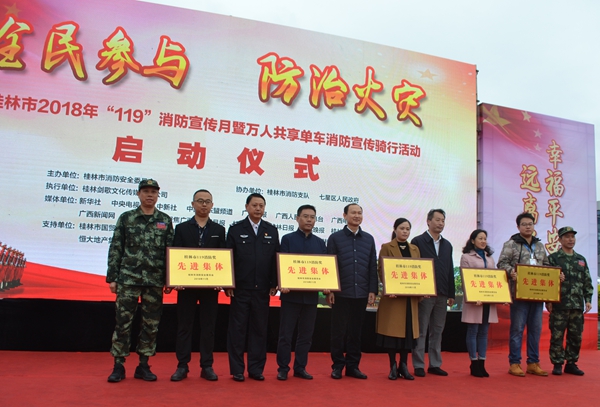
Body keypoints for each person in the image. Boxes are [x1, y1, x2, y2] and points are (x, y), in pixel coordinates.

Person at [106, 179, 174, 383]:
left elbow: (170, 252)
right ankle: (118, 366)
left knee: (150, 325)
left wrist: (169, 279)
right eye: (145, 191)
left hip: (154, 281)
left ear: (158, 195)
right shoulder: (127, 218)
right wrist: (112, 278)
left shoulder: (165, 220)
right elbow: (116, 247)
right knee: (123, 323)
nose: (149, 195)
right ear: (139, 194)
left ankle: (143, 365)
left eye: (153, 192)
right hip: (128, 279)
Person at [168, 189, 226, 382]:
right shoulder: (182, 228)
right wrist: (175, 279)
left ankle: (206, 366)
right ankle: (182, 366)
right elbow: (176, 254)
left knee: (208, 328)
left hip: (210, 288)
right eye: (200, 201)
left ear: (212, 205)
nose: (204, 204)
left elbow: (222, 258)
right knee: (185, 326)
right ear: (193, 204)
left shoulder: (219, 230)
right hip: (186, 287)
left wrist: (222, 280)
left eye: (207, 201)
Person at [226, 193, 280, 381]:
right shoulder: (235, 229)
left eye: (261, 205)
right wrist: (229, 283)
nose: (258, 208)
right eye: (254, 205)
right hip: (240, 289)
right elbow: (228, 258)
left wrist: (274, 282)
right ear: (247, 207)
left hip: (262, 290)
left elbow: (275, 258)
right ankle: (237, 369)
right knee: (237, 330)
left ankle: (256, 369)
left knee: (259, 330)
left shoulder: (271, 230)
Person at [497, 212, 556, 377]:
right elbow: (502, 263)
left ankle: (533, 363)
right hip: (519, 294)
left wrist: (555, 276)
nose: (528, 227)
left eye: (530, 224)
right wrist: (511, 272)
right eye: (524, 224)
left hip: (537, 295)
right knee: (517, 329)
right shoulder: (511, 244)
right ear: (518, 227)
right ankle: (514, 363)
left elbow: (546, 266)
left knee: (535, 330)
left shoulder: (539, 246)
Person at [276, 204, 327, 381]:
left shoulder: (320, 243)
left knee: (306, 336)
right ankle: (283, 368)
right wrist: (282, 283)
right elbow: (282, 264)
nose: (309, 220)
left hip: (311, 298)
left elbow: (324, 269)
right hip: (291, 295)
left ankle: (300, 368)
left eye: (312, 217)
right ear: (297, 218)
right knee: (285, 335)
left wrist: (326, 284)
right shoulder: (288, 239)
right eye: (305, 216)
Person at [326, 203, 377, 380]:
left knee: (356, 333)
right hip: (340, 293)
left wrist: (372, 289)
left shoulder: (369, 239)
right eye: (353, 213)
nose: (357, 216)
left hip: (361, 293)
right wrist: (330, 290)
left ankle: (353, 366)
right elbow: (330, 265)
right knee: (338, 332)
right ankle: (337, 366)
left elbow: (372, 266)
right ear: (344, 216)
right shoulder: (335, 238)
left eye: (359, 213)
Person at [410, 209, 454, 377]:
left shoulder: (447, 245)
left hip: (442, 293)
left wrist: (451, 293)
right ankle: (418, 364)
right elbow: (414, 268)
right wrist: (419, 291)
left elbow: (449, 269)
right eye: (437, 220)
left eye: (443, 220)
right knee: (421, 330)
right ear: (428, 221)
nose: (441, 223)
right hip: (425, 294)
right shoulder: (418, 241)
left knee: (437, 330)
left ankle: (435, 364)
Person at [376, 218, 420, 381]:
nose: (405, 231)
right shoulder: (387, 247)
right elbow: (381, 270)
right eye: (402, 228)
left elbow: (420, 271)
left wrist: (423, 290)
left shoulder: (415, 249)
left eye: (408, 229)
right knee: (393, 335)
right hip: (393, 299)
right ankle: (393, 366)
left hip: (409, 299)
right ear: (395, 230)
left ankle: (404, 365)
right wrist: (389, 288)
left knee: (408, 334)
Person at [546, 226, 593, 376]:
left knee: (575, 336)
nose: (570, 239)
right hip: (559, 304)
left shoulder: (581, 260)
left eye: (572, 236)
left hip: (577, 305)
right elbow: (547, 282)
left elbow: (587, 281)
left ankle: (571, 363)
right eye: (567, 237)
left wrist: (588, 299)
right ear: (560, 240)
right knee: (557, 335)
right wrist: (548, 301)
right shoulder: (553, 258)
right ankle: (557, 363)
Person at [460, 229, 499, 377]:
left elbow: (495, 279)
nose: (483, 241)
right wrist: (473, 295)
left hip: (488, 300)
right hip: (474, 301)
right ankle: (474, 363)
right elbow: (465, 279)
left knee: (484, 332)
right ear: (473, 240)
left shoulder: (490, 258)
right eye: (480, 238)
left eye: (485, 238)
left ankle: (482, 362)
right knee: (473, 331)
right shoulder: (466, 257)